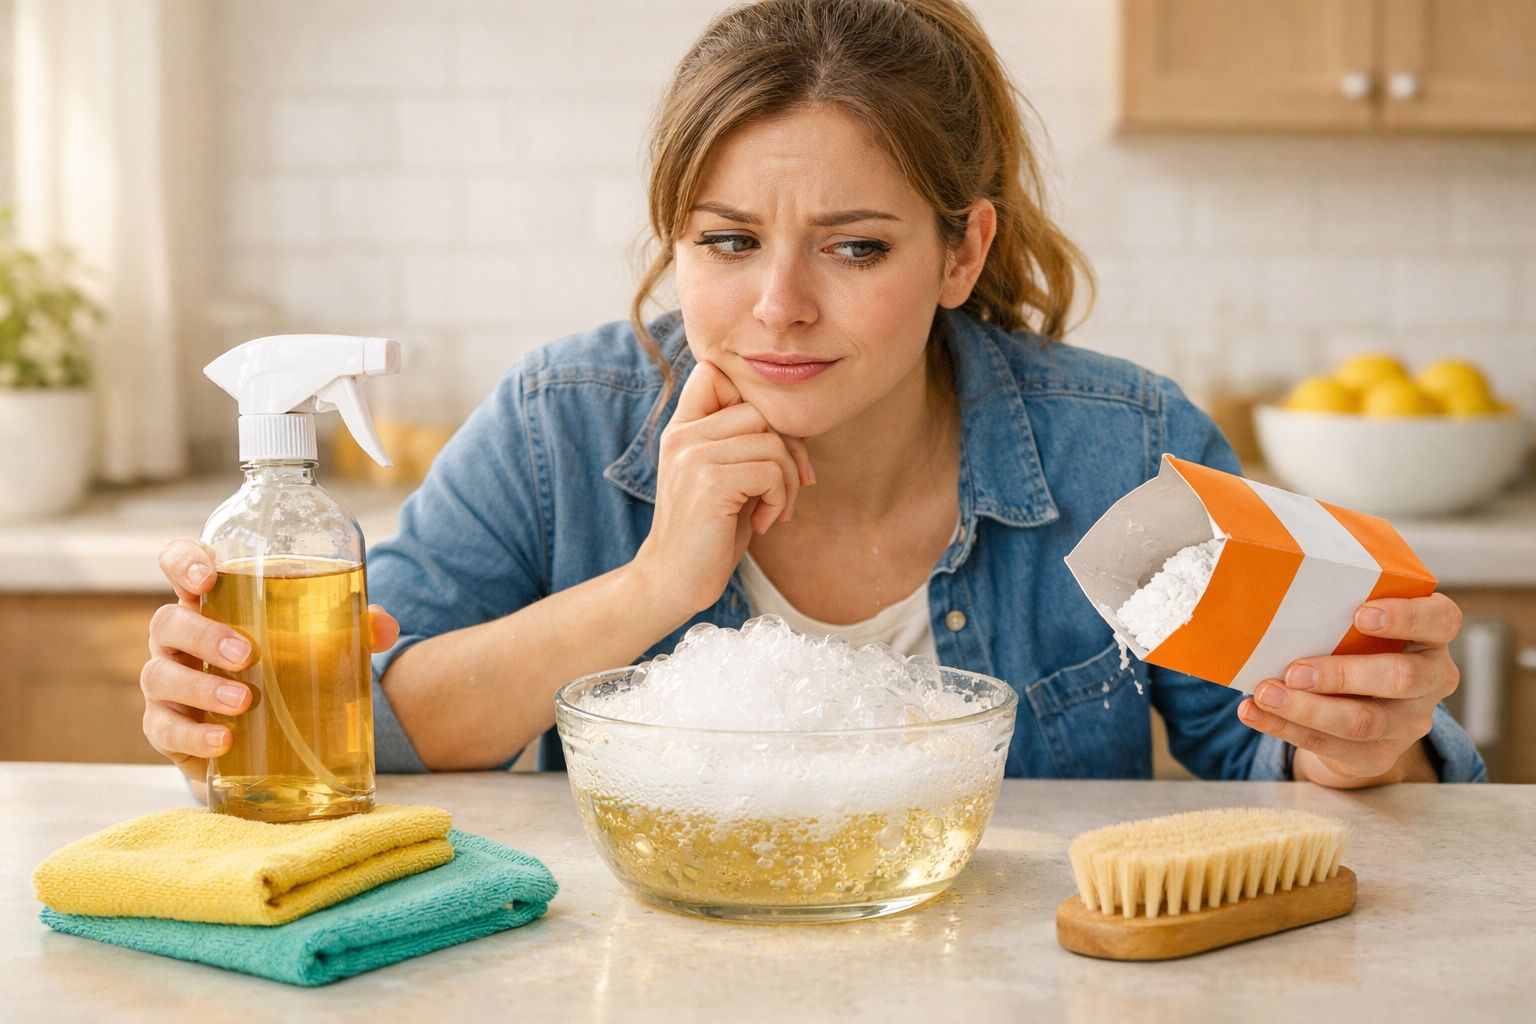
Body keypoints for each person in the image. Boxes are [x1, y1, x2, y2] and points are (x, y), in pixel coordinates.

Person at [142, 0, 1484, 798]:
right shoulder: (563, 421)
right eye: (727, 243)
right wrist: (657, 582)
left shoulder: (1122, 449)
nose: (779, 303)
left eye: (856, 248)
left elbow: (1282, 763)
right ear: (677, 240)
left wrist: (1361, 751)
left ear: (962, 249)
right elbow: (361, 725)